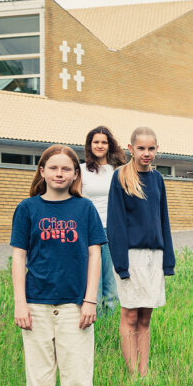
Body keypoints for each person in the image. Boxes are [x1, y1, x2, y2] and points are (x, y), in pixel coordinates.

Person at [10, 145, 105, 386]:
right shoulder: (27, 208)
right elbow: (18, 257)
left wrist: (90, 300)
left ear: (76, 174)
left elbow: (95, 255)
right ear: (42, 171)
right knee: (39, 380)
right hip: (36, 306)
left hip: (75, 307)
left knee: (77, 381)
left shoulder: (85, 209)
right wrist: (20, 303)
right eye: (53, 168)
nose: (59, 174)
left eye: (66, 169)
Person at [106, 127, 174, 377]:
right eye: (141, 148)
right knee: (130, 315)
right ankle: (132, 373)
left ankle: (144, 373)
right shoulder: (121, 177)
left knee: (146, 318)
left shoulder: (158, 179)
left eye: (151, 148)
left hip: (154, 257)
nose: (146, 153)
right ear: (130, 149)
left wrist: (168, 261)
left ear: (157, 149)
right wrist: (121, 265)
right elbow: (115, 223)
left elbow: (163, 219)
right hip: (130, 257)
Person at [79, 126, 126, 316]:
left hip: (112, 229)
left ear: (109, 145)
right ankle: (94, 315)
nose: (100, 145)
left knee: (111, 278)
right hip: (88, 229)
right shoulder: (81, 170)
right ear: (89, 145)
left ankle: (110, 319)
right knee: (93, 277)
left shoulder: (118, 171)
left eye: (104, 142)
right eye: (96, 142)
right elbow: (76, 199)